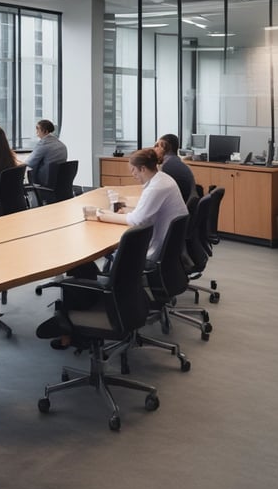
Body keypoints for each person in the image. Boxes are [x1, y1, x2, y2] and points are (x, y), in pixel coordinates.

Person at [39, 147, 188, 349]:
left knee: (79, 266)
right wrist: (126, 209)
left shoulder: (156, 187)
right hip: (165, 255)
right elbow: (144, 213)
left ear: (143, 168)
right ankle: (78, 318)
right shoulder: (163, 180)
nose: (133, 176)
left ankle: (72, 328)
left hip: (153, 256)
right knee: (89, 264)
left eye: (134, 171)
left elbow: (137, 220)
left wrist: (102, 215)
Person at [25, 119, 67, 185]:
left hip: (45, 181)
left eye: (38, 129)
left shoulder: (44, 143)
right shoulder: (61, 144)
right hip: (59, 182)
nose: (36, 132)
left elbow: (29, 163)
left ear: (46, 131)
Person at [154, 133, 195, 201]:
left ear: (164, 147)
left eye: (157, 146)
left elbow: (157, 192)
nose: (154, 149)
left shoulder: (167, 165)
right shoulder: (175, 161)